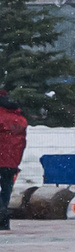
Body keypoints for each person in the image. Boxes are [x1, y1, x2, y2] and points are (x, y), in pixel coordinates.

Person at [0, 89, 25, 231]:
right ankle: (3, 219)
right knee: (6, 189)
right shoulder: (20, 119)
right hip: (12, 161)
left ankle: (2, 214)